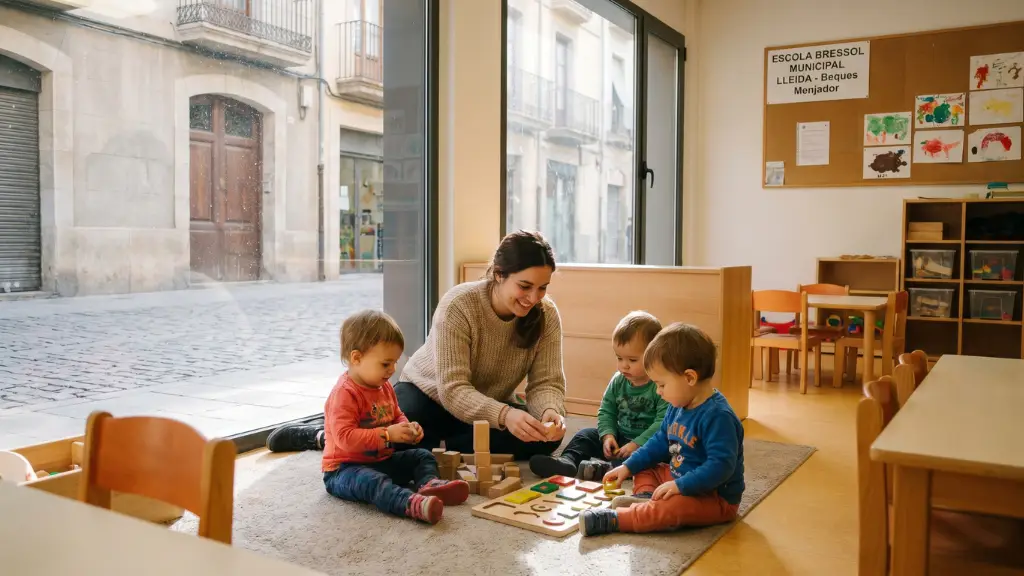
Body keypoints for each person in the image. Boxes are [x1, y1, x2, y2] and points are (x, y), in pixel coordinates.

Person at [267, 230, 567, 460]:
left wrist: (549, 413)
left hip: (482, 408)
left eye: (542, 288)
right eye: (525, 286)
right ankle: (322, 434)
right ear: (499, 275)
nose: (534, 298)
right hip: (428, 396)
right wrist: (504, 415)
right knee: (391, 440)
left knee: (544, 440)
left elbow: (546, 382)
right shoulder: (460, 305)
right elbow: (453, 390)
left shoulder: (547, 315)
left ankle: (439, 444)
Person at [578, 323, 745, 536]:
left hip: (713, 497)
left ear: (690, 378)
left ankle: (616, 519)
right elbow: (659, 441)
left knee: (674, 508)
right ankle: (645, 498)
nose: (658, 392)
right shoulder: (678, 405)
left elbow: (721, 467)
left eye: (662, 385)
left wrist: (680, 486)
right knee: (644, 466)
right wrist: (628, 467)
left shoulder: (718, 417)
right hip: (678, 476)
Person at [321, 310, 469, 525]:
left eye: (394, 363)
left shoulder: (384, 387)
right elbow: (345, 438)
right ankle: (409, 503)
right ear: (356, 358)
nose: (392, 369)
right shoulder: (344, 393)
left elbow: (396, 414)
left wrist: (407, 427)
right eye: (385, 364)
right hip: (343, 469)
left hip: (380, 460)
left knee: (422, 456)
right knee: (373, 482)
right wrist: (388, 435)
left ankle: (429, 484)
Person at [528, 311, 669, 479]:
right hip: (620, 438)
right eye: (619, 358)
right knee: (585, 435)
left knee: (664, 453)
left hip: (648, 443)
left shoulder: (660, 385)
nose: (623, 366)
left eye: (632, 360)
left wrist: (637, 444)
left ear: (654, 356)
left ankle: (612, 470)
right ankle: (568, 461)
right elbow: (607, 411)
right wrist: (608, 435)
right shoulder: (618, 381)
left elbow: (663, 423)